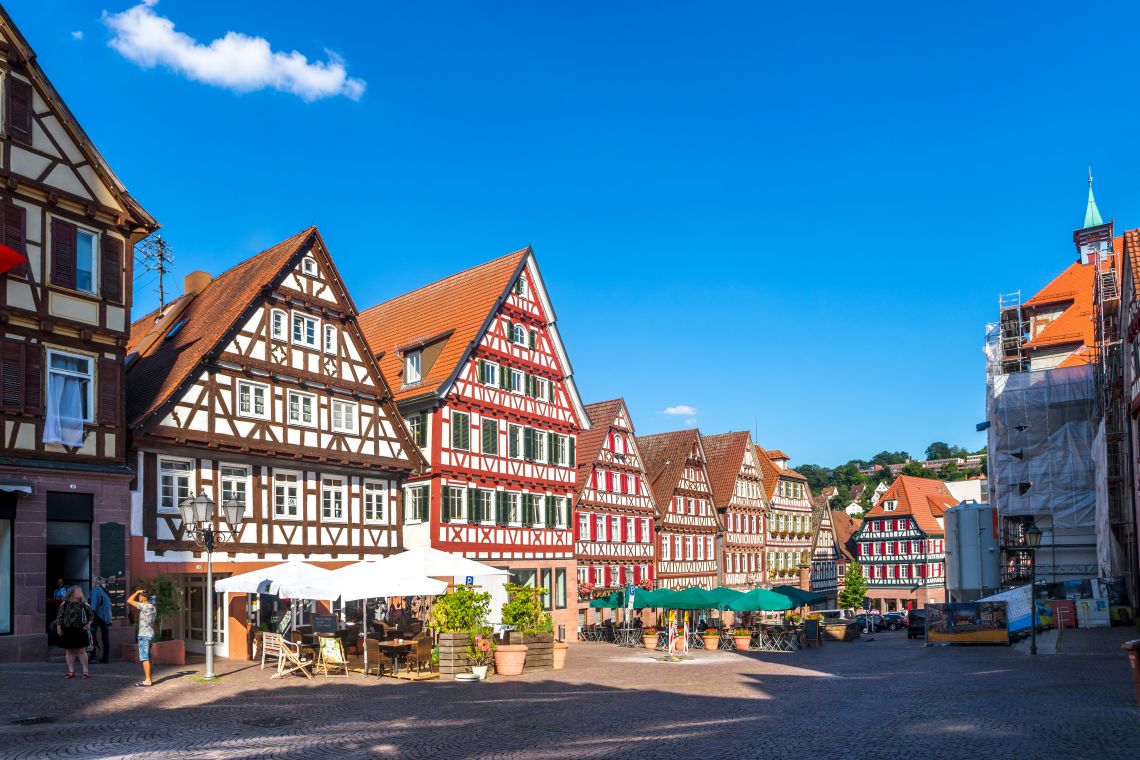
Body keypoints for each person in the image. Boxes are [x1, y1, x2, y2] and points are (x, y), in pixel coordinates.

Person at [52, 586, 92, 679]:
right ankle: (71, 671)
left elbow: (91, 614)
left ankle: (85, 671)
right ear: (73, 593)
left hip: (80, 629)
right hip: (67, 629)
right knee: (69, 650)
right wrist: (58, 627)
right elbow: (59, 616)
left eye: (81, 591)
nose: (81, 593)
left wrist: (89, 624)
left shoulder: (83, 603)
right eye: (79, 591)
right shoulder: (64, 604)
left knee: (81, 650)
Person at [127, 586, 156, 687]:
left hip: (144, 635)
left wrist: (136, 592)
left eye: (140, 596)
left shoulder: (144, 606)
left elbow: (129, 600)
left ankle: (147, 680)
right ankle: (149, 678)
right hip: (151, 634)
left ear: (144, 597)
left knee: (144, 657)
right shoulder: (153, 607)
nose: (139, 598)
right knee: (149, 656)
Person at [89, 577, 112, 664]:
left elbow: (93, 606)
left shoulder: (95, 591)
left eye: (93, 582)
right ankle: (106, 658)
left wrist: (90, 617)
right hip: (106, 617)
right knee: (105, 638)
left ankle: (93, 657)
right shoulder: (106, 591)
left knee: (92, 636)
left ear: (95, 583)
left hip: (97, 616)